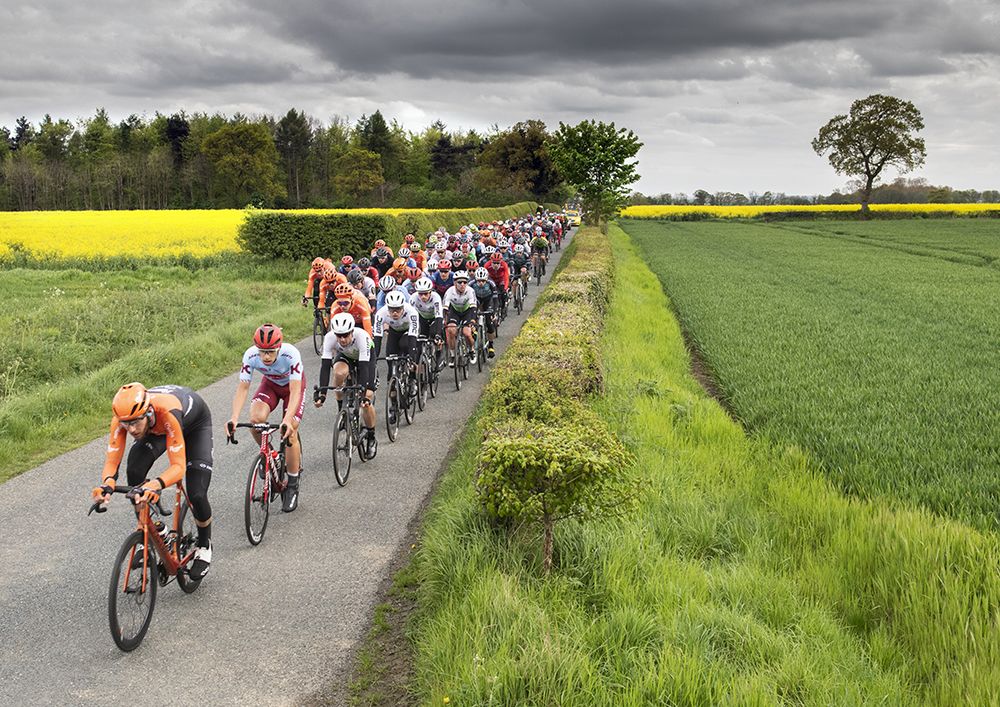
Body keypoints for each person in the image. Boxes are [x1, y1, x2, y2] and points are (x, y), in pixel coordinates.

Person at [93, 383, 215, 579]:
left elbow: (178, 467)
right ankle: (156, 530)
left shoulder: (166, 412)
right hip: (156, 429)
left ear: (148, 412)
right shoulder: (123, 419)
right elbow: (112, 458)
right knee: (135, 471)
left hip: (193, 426)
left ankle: (204, 544)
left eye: (135, 422)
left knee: (197, 493)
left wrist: (156, 484)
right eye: (126, 423)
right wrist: (107, 483)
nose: (131, 429)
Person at [227, 324, 304, 512]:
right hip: (270, 386)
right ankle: (271, 456)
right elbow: (242, 388)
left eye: (270, 352)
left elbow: (295, 391)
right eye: (262, 352)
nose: (266, 357)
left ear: (279, 347)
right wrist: (234, 418)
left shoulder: (291, 354)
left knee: (290, 432)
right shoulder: (250, 356)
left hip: (292, 389)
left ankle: (292, 484)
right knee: (255, 420)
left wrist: (287, 419)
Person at [316, 312, 378, 457]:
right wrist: (322, 394)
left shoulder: (361, 336)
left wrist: (363, 390)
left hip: (366, 358)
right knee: (338, 373)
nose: (342, 339)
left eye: (345, 335)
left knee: (367, 398)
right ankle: (341, 409)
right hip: (346, 356)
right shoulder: (330, 338)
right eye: (339, 336)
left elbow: (364, 367)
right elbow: (325, 366)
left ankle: (371, 436)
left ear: (352, 331)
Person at [443, 270, 477, 366]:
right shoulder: (450, 291)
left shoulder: (470, 291)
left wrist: (473, 320)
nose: (462, 284)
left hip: (467, 311)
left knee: (466, 333)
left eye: (465, 282)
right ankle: (453, 355)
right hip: (455, 312)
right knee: (451, 331)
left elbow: (473, 307)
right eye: (459, 282)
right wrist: (444, 320)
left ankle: (472, 350)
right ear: (454, 283)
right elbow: (445, 308)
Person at [471, 268, 499, 358]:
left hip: (488, 299)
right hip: (477, 299)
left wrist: (494, 312)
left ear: (486, 279)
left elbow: (495, 299)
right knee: (473, 315)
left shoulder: (491, 284)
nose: (481, 283)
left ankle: (491, 346)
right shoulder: (471, 284)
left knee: (489, 323)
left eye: (483, 281)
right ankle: (474, 330)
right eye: (479, 281)